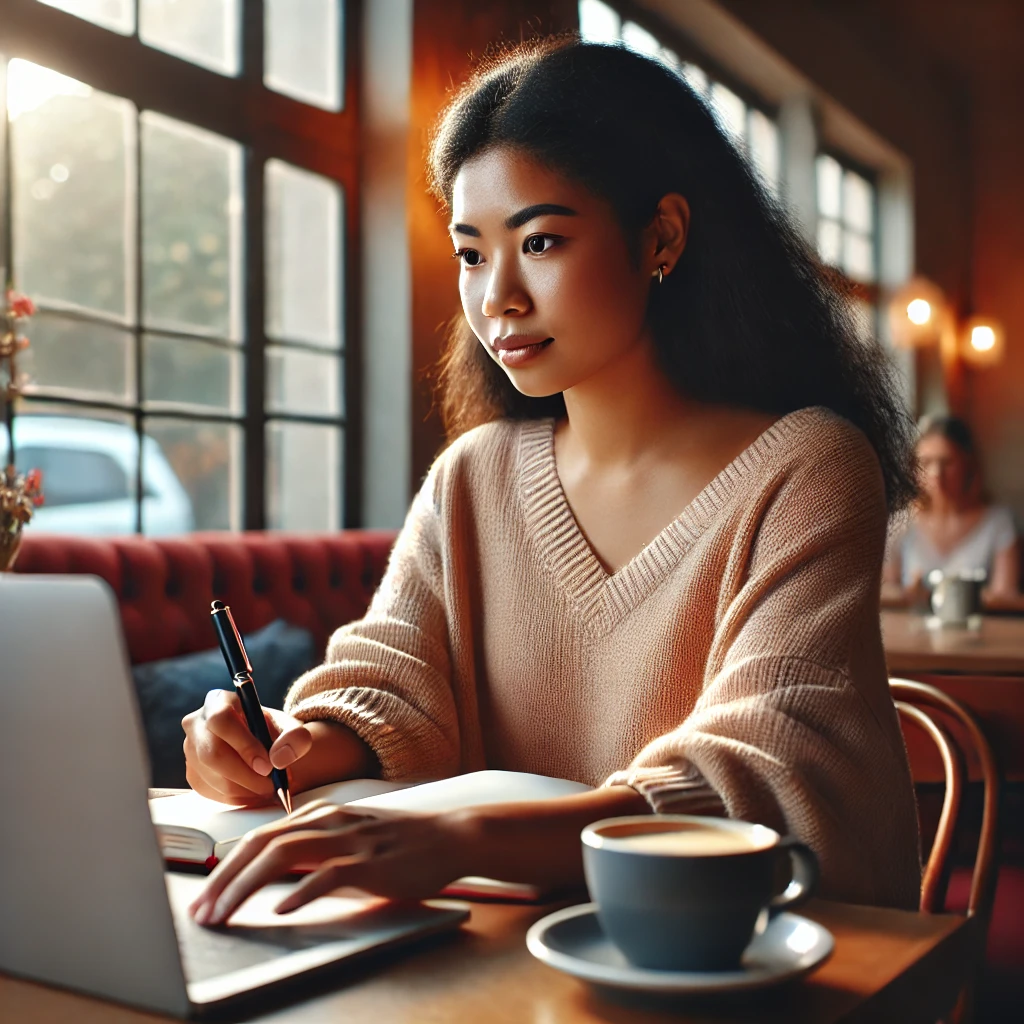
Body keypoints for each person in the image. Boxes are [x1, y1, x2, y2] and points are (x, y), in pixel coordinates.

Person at [183, 38, 922, 927]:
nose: (498, 296)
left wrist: (475, 836)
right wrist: (293, 748)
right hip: (513, 967)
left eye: (539, 240)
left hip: (742, 964)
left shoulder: (806, 465)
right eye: (470, 253)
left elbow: (769, 766)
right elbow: (397, 684)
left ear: (662, 236)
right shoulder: (474, 476)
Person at [882, 414, 1021, 609]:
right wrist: (908, 594)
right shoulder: (900, 522)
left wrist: (933, 596)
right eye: (926, 463)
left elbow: (1006, 597)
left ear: (968, 465)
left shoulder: (999, 522)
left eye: (947, 462)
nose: (937, 474)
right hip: (912, 634)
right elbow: (883, 591)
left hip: (980, 634)